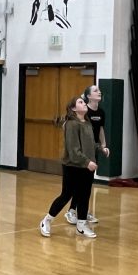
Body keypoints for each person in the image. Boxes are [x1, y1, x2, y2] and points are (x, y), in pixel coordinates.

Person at [40, 96, 98, 239]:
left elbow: (89, 144)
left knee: (84, 195)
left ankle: (81, 226)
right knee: (67, 195)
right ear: (73, 108)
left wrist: (100, 149)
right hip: (73, 165)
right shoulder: (71, 124)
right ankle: (47, 220)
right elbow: (73, 150)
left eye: (84, 102)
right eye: (80, 102)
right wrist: (87, 162)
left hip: (87, 166)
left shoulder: (87, 123)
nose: (84, 103)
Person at [66, 83, 109, 226]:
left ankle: (82, 212)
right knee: (79, 184)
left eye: (99, 90)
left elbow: (101, 130)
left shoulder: (101, 113)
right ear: (88, 96)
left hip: (93, 149)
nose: (99, 92)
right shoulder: (84, 112)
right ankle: (72, 210)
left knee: (87, 184)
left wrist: (103, 146)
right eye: (96, 90)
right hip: (81, 153)